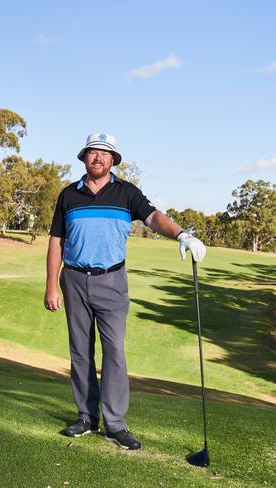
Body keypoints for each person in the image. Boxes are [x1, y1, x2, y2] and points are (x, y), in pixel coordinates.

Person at [44, 133, 206, 450]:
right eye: (93, 152)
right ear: (84, 157)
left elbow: (154, 217)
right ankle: (86, 418)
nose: (99, 158)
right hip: (74, 279)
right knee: (80, 351)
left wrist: (182, 235)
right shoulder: (68, 196)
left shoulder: (127, 193)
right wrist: (51, 284)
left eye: (105, 154)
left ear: (113, 160)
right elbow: (55, 242)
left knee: (114, 352)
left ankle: (115, 424)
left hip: (112, 281)